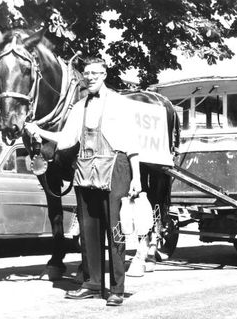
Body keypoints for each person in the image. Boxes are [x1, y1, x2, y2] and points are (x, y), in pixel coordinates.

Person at [24, 57, 142, 306]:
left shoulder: (120, 103)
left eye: (95, 73)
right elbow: (66, 140)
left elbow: (132, 143)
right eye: (87, 73)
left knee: (115, 228)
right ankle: (92, 283)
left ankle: (117, 289)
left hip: (115, 167)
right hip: (86, 167)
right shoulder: (79, 107)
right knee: (88, 229)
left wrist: (136, 178)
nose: (90, 77)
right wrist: (38, 130)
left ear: (105, 74)